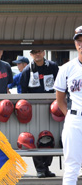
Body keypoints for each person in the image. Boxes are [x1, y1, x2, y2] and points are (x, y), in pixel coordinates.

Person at [54, 26, 82, 185]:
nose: (81, 43)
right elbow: (60, 100)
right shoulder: (67, 68)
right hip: (75, 120)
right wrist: (71, 117)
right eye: (79, 40)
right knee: (71, 166)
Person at [19, 49, 60, 178]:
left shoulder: (53, 66)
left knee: (49, 136)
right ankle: (39, 168)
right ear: (31, 55)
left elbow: (60, 85)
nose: (37, 54)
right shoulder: (27, 70)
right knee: (33, 137)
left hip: (52, 107)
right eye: (34, 52)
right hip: (33, 108)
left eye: (39, 51)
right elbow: (23, 90)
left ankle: (46, 167)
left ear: (43, 53)